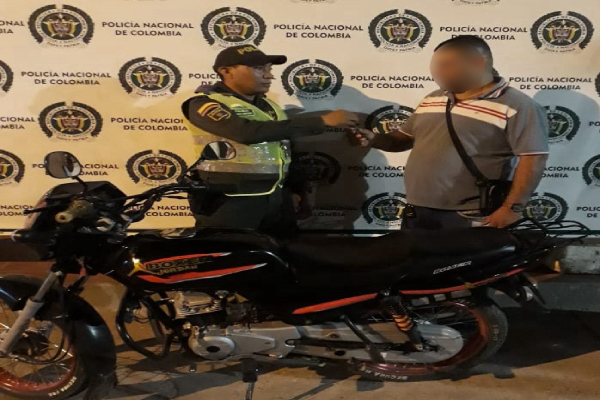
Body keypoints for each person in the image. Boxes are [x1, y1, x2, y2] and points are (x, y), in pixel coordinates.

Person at [350, 35, 549, 230]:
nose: (436, 72)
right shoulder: (433, 98)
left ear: (478, 63)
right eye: (435, 65)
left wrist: (512, 208)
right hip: (417, 210)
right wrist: (374, 139)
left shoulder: (518, 106)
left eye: (446, 65)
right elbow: (403, 139)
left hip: (471, 214)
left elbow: (533, 159)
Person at [182, 45, 358, 236]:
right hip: (229, 202)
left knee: (281, 251)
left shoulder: (269, 106)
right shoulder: (204, 103)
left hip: (277, 199)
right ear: (226, 71)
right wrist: (321, 121)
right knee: (233, 252)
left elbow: (284, 150)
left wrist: (297, 191)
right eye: (259, 68)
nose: (269, 75)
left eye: (269, 69)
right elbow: (246, 133)